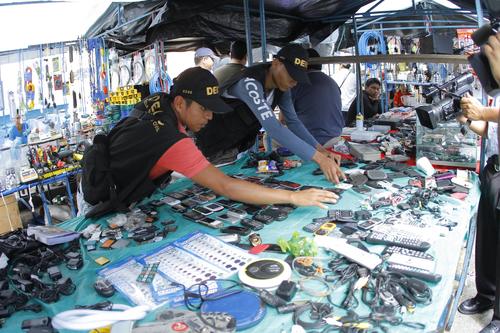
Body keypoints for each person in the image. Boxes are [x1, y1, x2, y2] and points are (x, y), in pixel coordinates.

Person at [79, 67, 338, 217]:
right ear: (180, 103)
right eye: (204, 109)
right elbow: (226, 186)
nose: (210, 116)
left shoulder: (159, 101)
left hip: (106, 174)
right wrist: (292, 197)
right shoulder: (171, 140)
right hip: (102, 195)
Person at [194, 44, 345, 184]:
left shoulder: (283, 87)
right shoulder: (250, 82)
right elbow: (273, 128)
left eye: (298, 77)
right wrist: (319, 159)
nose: (294, 82)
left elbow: (293, 122)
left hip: (236, 148)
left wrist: (322, 151)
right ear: (276, 64)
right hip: (212, 146)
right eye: (292, 74)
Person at [457, 31, 500, 333]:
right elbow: (490, 131)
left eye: (491, 53)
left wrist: (483, 111)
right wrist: (469, 120)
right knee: (487, 240)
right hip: (494, 169)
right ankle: (486, 295)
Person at [291, 49, 344, 148]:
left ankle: (278, 162)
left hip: (312, 141)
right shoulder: (332, 82)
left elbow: (284, 119)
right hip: (336, 138)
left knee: (268, 136)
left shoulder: (297, 84)